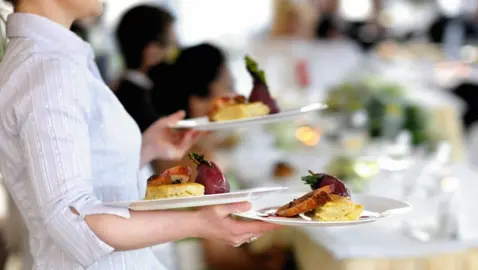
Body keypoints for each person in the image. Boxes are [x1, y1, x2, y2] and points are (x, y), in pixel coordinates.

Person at [0, 1, 280, 270]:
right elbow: (73, 220)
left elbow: (74, 178)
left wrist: (144, 149)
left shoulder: (56, 57)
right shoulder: (47, 68)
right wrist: (199, 223)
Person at [149, 43, 292, 270]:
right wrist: (273, 261)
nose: (237, 97)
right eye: (228, 87)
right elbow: (219, 257)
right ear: (198, 100)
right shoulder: (200, 162)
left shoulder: (171, 146)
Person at [114, 4, 177, 132]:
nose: (173, 53)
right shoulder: (138, 104)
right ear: (151, 51)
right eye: (171, 45)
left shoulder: (120, 90)